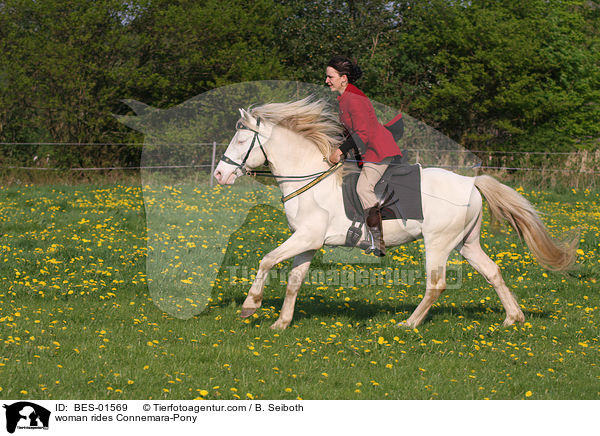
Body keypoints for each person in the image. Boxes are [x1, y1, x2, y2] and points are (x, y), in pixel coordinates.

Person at [325, 55, 402, 256]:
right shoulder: (344, 97)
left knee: (363, 188)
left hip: (378, 151)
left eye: (330, 77)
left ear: (344, 78)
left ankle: (378, 241)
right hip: (366, 151)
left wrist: (341, 151)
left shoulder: (353, 98)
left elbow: (363, 134)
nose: (326, 81)